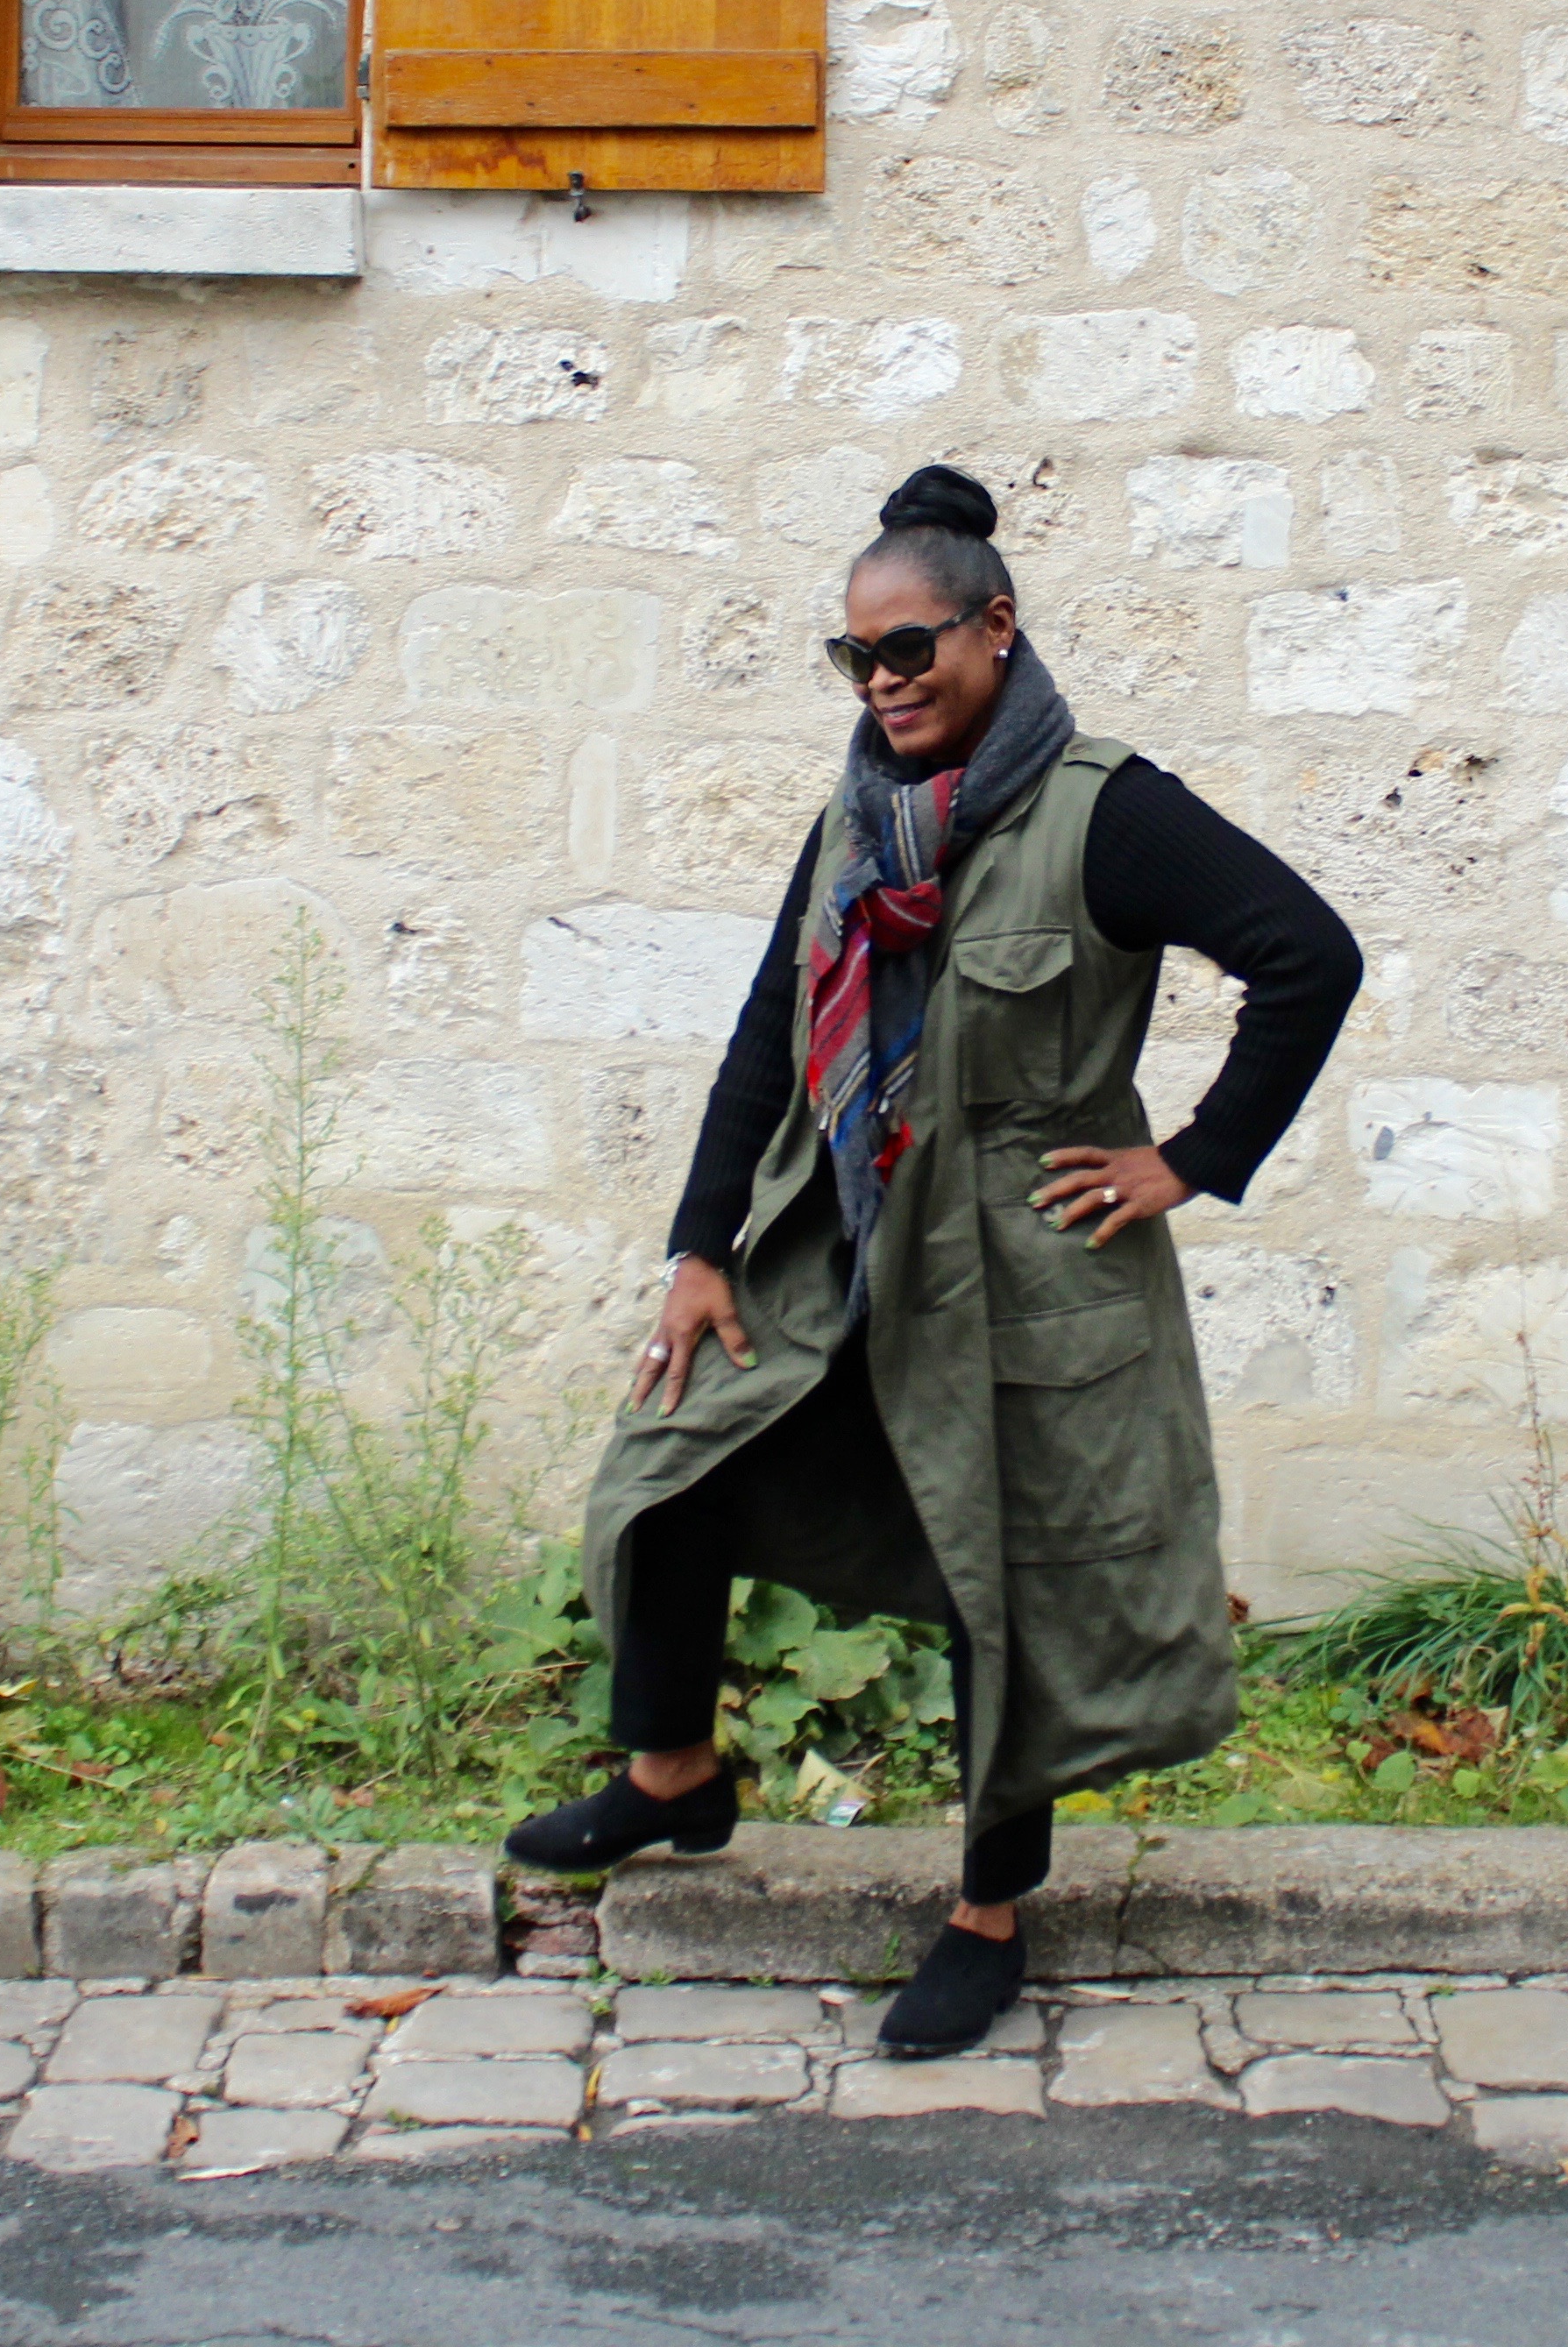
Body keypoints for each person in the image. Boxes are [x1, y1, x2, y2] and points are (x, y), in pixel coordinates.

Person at [506, 462, 1364, 2054]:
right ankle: (673, 1772)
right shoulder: (853, 817)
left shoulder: (1107, 811)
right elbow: (776, 1018)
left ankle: (987, 1915)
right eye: (859, 658)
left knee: (1003, 1582)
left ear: (996, 630)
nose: (886, 681)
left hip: (1025, 1277)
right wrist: (702, 1246)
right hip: (843, 1248)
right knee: (669, 1470)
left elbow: (1307, 957)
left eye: (913, 649)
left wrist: (1187, 1159)